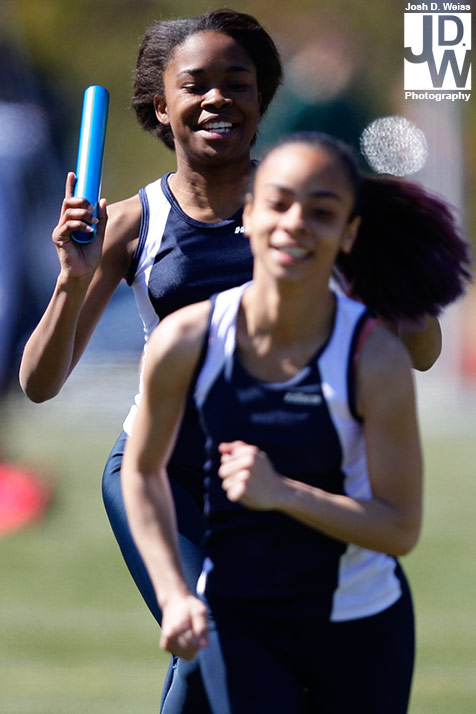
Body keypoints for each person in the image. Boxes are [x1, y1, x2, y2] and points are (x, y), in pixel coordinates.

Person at [19, 7, 449, 710]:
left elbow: (424, 352)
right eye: (196, 85)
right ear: (162, 105)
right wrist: (73, 277)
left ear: (261, 99)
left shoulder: (308, 213)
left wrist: (393, 269)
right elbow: (39, 383)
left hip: (287, 467)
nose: (219, 97)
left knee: (254, 662)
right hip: (167, 473)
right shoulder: (129, 223)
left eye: (238, 83)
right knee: (212, 630)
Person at [121, 132, 471, 713]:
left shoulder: (374, 357)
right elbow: (140, 471)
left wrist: (282, 493)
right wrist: (175, 593)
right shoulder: (185, 341)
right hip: (240, 617)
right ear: (248, 214)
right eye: (279, 204)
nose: (296, 224)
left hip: (359, 623)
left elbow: (399, 528)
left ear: (349, 234)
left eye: (322, 212)